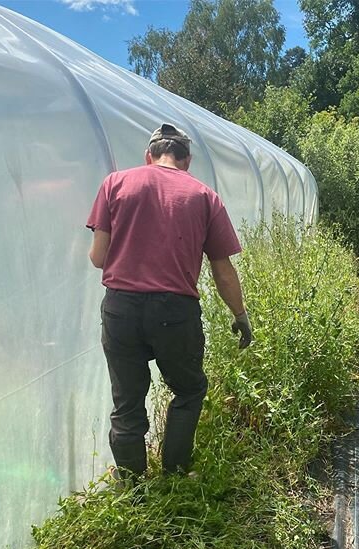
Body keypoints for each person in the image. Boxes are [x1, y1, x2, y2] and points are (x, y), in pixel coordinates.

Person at [86, 123, 251, 480]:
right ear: (187, 160)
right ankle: (175, 474)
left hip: (121, 309)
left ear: (149, 156)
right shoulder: (205, 196)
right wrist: (240, 314)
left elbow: (98, 258)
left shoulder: (114, 184)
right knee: (189, 390)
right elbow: (222, 270)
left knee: (127, 401)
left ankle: (131, 484)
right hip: (174, 312)